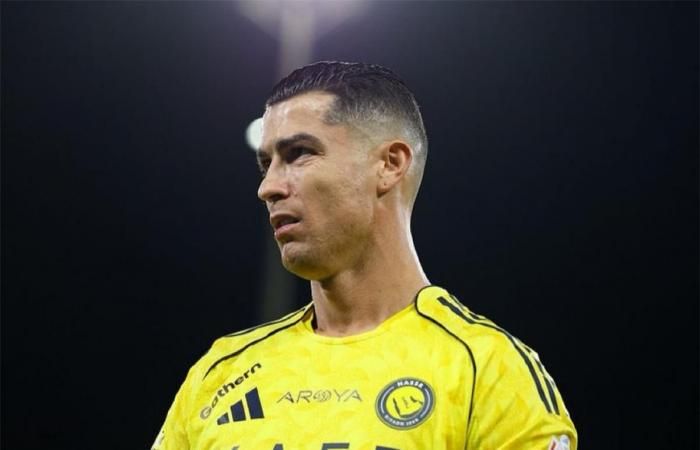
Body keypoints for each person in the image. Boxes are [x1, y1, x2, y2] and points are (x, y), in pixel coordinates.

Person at [152, 61, 578, 450]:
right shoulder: (219, 373)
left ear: (390, 164)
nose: (268, 188)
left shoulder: (487, 370)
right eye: (267, 165)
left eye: (298, 154)